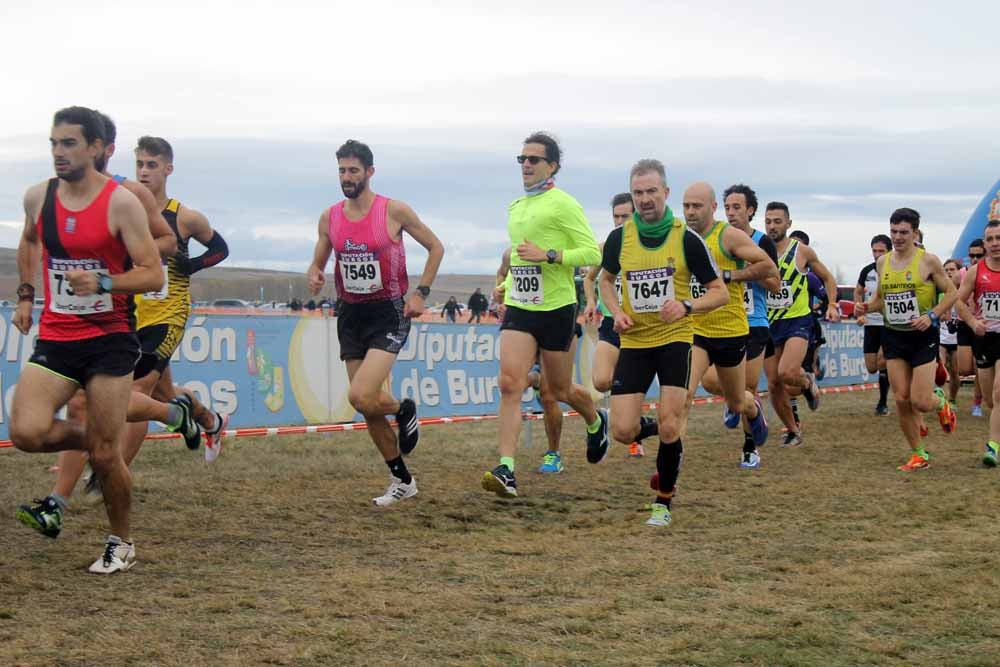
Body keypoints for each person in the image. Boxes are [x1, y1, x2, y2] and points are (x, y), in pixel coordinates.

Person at [17, 126, 224, 526]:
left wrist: (188, 264)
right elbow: (32, 240)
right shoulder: (60, 197)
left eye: (152, 165)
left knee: (133, 394)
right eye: (140, 163)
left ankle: (106, 469)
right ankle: (199, 417)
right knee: (156, 393)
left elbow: (210, 249)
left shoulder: (156, 206)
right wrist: (29, 295)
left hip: (162, 315)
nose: (144, 171)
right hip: (118, 311)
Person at [10, 106, 165, 574]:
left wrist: (104, 283)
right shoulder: (38, 197)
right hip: (58, 335)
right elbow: (29, 241)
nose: (59, 152)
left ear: (96, 148)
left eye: (69, 143)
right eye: (54, 143)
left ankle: (122, 541)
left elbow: (153, 273)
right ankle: (103, 441)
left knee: (102, 453)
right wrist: (25, 295)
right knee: (26, 432)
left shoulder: (121, 203)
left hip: (109, 338)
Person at [307, 139, 444, 506]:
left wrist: (421, 293)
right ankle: (402, 480)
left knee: (360, 395)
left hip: (388, 313)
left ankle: (403, 409)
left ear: (369, 172)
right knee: (367, 406)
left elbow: (436, 247)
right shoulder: (330, 216)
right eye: (341, 170)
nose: (346, 177)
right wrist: (315, 271)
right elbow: (320, 256)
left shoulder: (393, 211)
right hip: (351, 314)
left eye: (353, 170)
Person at [599, 159, 727, 528]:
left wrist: (686, 305)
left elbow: (719, 292)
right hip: (635, 341)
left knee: (672, 426)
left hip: (675, 339)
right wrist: (615, 311)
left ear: (666, 193)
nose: (644, 199)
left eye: (651, 191)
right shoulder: (619, 238)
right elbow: (605, 280)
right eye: (638, 192)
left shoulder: (686, 238)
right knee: (622, 431)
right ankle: (658, 430)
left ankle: (663, 502)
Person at [481, 132, 605, 498]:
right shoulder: (516, 207)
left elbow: (592, 254)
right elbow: (522, 257)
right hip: (521, 307)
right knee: (510, 383)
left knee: (559, 389)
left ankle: (595, 420)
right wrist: (507, 285)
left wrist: (550, 255)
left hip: (557, 308)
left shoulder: (563, 204)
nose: (526, 164)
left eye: (533, 159)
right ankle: (506, 469)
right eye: (522, 159)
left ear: (552, 166)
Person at [681, 182, 778, 469]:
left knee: (740, 397)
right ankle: (673, 458)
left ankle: (750, 418)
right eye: (686, 206)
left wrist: (731, 275)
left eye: (697, 206)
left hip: (739, 326)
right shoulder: (682, 237)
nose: (690, 212)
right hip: (696, 328)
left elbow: (771, 273)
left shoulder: (733, 237)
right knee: (685, 392)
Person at [858, 208, 957, 471]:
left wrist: (932, 315)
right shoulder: (883, 262)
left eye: (903, 232)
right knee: (901, 399)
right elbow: (880, 300)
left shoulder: (928, 261)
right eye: (894, 232)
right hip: (894, 336)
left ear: (915, 233)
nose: (898, 237)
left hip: (922, 337)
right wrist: (866, 307)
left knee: (920, 401)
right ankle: (918, 454)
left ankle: (941, 402)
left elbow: (952, 292)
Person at [582, 192, 656, 457]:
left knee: (629, 385)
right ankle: (619, 418)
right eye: (616, 216)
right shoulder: (608, 246)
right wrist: (591, 302)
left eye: (626, 216)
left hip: (640, 328)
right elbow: (590, 279)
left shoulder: (649, 245)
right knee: (602, 381)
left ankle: (634, 431)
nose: (621, 221)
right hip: (612, 325)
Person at [764, 202, 840, 447]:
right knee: (774, 384)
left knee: (787, 372)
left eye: (777, 221)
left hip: (797, 320)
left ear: (788, 223)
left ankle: (807, 381)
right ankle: (793, 430)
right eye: (768, 221)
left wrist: (832, 304)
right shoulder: (758, 249)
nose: (772, 226)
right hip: (769, 323)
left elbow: (828, 278)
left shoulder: (801, 251)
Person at [954, 219, 1000, 466]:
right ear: (984, 244)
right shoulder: (975, 271)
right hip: (984, 338)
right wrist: (972, 322)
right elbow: (958, 301)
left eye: (999, 238)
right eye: (990, 239)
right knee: (992, 401)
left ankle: (993, 447)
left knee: (999, 393)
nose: (995, 243)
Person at [855, 234, 893, 415]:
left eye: (881, 251)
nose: (877, 254)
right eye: (874, 251)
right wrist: (860, 312)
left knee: (881, 360)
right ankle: (895, 371)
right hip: (871, 324)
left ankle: (883, 402)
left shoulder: (895, 269)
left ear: (889, 251)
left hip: (889, 324)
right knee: (872, 367)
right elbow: (858, 292)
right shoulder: (867, 271)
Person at [961, 238, 987, 416]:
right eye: (971, 256)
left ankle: (977, 402)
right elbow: (950, 293)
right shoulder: (962, 273)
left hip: (984, 326)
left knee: (980, 367)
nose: (975, 259)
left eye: (979, 255)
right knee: (964, 369)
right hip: (965, 323)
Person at [940, 259, 963, 408]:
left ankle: (952, 399)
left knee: (955, 371)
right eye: (946, 270)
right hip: (941, 337)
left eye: (952, 270)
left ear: (959, 272)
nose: (949, 273)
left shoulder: (965, 290)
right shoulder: (940, 291)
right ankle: (940, 399)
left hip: (957, 339)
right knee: (939, 368)